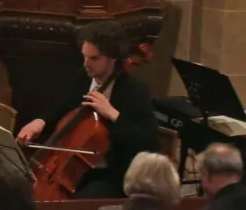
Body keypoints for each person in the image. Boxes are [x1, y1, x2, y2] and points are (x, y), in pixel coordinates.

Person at [16, 22, 160, 197]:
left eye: (94, 58)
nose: (86, 64)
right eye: (84, 56)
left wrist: (113, 114)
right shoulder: (81, 79)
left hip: (111, 174)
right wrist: (40, 121)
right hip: (71, 168)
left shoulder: (134, 92)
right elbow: (60, 107)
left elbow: (149, 143)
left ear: (113, 57)